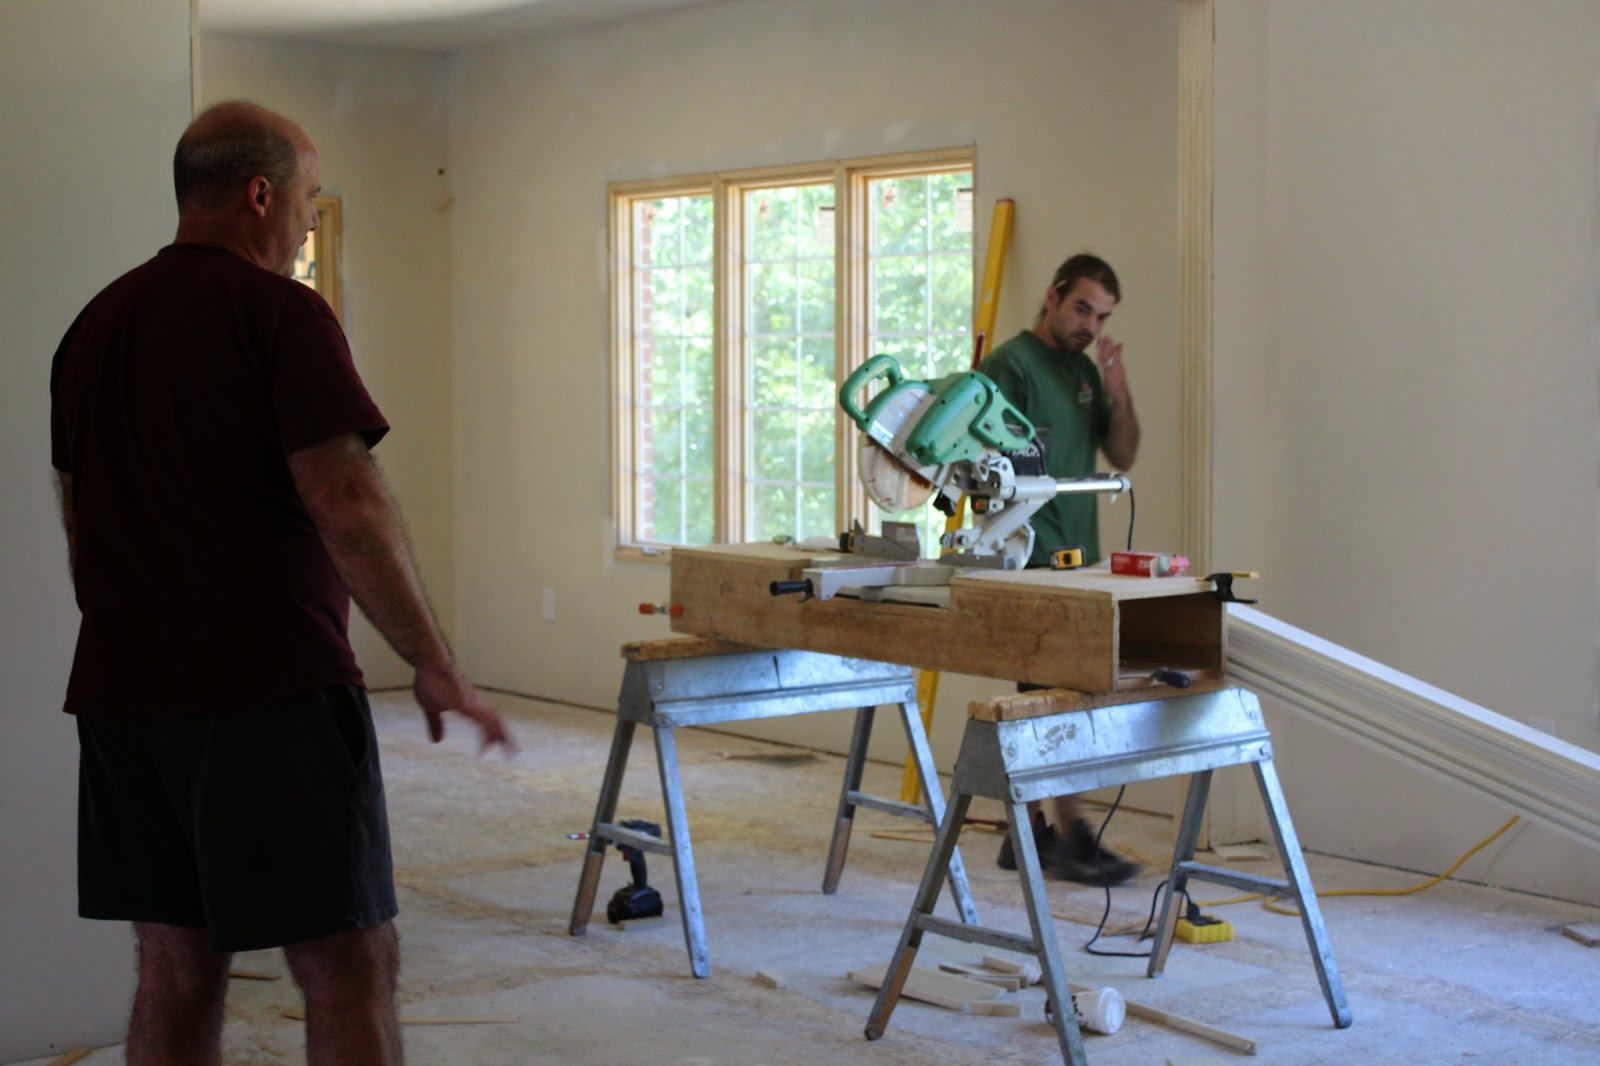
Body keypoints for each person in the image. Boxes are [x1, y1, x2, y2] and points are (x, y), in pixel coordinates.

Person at [49, 100, 514, 1066]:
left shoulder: (93, 327)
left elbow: (78, 516)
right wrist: (432, 662)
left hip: (124, 696)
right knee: (348, 962)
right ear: (260, 194)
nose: (310, 223)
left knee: (176, 969)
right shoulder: (280, 315)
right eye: (307, 201)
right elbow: (346, 500)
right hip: (270, 691)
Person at [977, 252, 1143, 886]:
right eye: (1082, 308)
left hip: (1079, 552)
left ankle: (1032, 833)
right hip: (1025, 553)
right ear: (1051, 296)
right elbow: (982, 459)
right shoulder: (1011, 365)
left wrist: (1118, 387)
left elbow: (1121, 454)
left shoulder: (1084, 372)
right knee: (1052, 700)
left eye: (1101, 316)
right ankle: (1070, 834)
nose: (1089, 325)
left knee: (1060, 699)